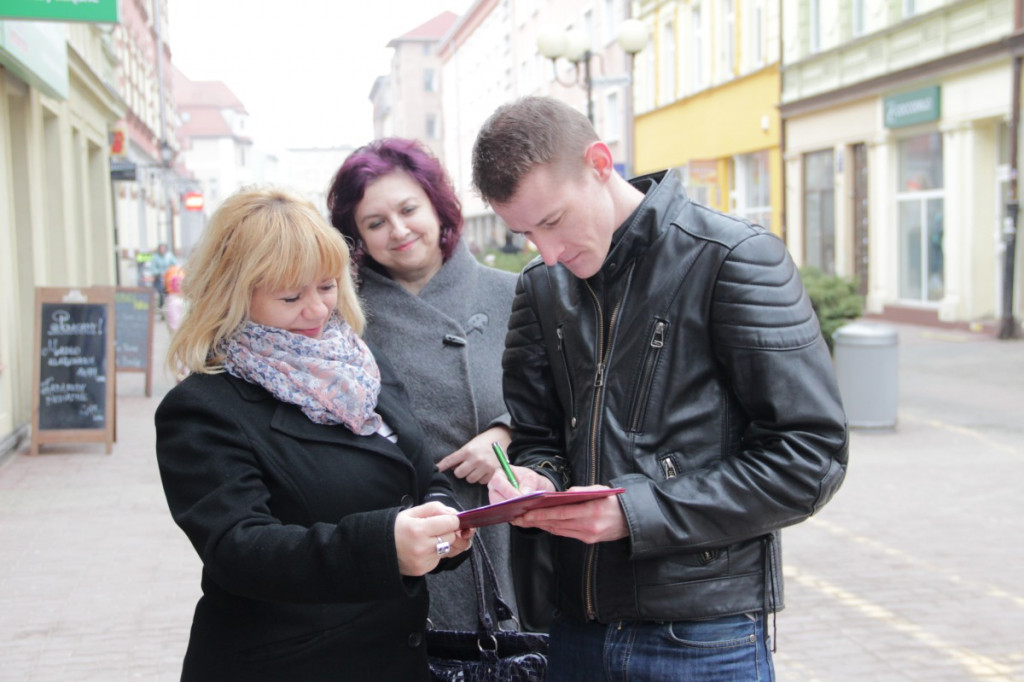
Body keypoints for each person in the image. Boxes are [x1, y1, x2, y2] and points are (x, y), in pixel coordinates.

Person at [470, 96, 849, 682]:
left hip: (702, 635)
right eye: (525, 233)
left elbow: (811, 459)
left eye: (553, 221)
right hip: (575, 630)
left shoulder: (734, 259)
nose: (548, 253)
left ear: (600, 164)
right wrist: (538, 480)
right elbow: (539, 437)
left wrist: (637, 513)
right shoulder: (541, 287)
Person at [154, 187, 474, 681]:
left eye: (326, 286)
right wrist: (383, 548)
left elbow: (418, 471)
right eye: (291, 297)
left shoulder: (358, 362)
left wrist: (443, 519)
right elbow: (237, 549)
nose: (319, 310)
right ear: (232, 295)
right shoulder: (202, 408)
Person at [326, 138, 522, 632]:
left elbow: (565, 396)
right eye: (375, 223)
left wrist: (506, 432)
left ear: (437, 205)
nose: (398, 230)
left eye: (408, 209)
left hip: (504, 532)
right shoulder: (342, 317)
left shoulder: (513, 293)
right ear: (356, 236)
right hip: (395, 541)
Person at [150, 242, 177, 309]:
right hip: (159, 278)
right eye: (161, 248)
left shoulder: (169, 256)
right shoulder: (155, 257)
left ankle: (170, 306)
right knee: (161, 290)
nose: (162, 249)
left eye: (163, 248)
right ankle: (161, 306)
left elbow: (175, 264)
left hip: (169, 277)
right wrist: (159, 273)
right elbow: (153, 269)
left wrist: (170, 271)